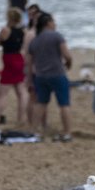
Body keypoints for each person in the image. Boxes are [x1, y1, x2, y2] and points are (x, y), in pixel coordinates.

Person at [26, 12, 73, 141]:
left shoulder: (35, 40)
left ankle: (34, 130)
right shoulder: (56, 36)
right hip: (57, 74)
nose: (55, 24)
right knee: (64, 104)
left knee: (41, 103)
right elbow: (67, 55)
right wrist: (68, 64)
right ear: (48, 23)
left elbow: (30, 62)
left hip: (41, 76)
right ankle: (67, 132)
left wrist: (29, 80)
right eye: (53, 22)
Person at [0, 6, 27, 125]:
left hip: (9, 59)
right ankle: (21, 118)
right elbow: (23, 45)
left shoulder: (5, 30)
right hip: (19, 58)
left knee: (3, 93)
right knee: (21, 91)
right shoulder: (23, 31)